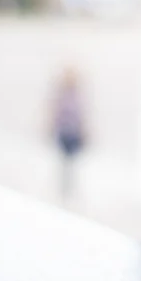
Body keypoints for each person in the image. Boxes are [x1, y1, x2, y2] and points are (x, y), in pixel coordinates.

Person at [52, 68, 85, 199]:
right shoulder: (61, 95)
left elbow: (81, 116)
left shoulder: (78, 96)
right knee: (64, 160)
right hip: (64, 132)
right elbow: (56, 113)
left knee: (71, 160)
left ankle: (69, 186)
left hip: (73, 133)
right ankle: (63, 186)